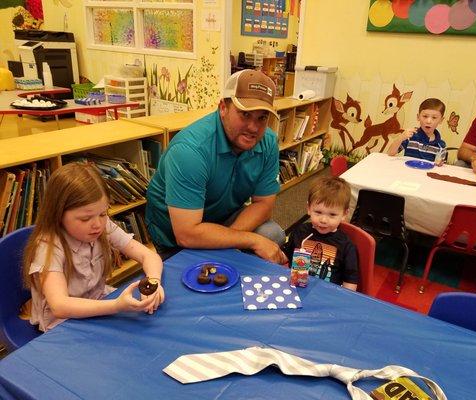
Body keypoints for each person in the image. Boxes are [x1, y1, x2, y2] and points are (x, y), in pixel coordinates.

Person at [145, 70, 287, 264]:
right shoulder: (189, 151)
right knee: (192, 283)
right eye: (245, 114)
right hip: (175, 235)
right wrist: (250, 241)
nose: (254, 128)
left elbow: (264, 204)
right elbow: (186, 234)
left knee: (272, 234)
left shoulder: (268, 142)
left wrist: (227, 239)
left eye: (262, 118)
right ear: (223, 108)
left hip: (222, 218)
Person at [23, 163, 165, 332]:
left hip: (100, 302)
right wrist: (116, 306)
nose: (98, 224)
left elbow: (148, 256)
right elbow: (60, 306)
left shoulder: (103, 226)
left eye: (103, 214)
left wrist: (153, 281)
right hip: (64, 322)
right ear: (58, 215)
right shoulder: (49, 248)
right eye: (85, 219)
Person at [281, 176, 358, 291]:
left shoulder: (346, 245)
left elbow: (350, 281)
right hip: (295, 289)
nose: (323, 220)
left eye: (332, 215)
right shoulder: (300, 232)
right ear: (308, 208)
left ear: (344, 214)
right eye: (318, 212)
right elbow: (284, 256)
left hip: (326, 296)